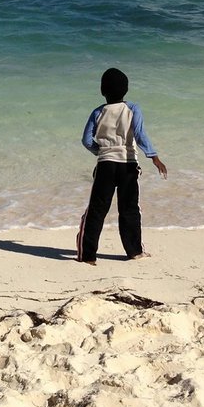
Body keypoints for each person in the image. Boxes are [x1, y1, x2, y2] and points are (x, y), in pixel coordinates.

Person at [76, 67, 167, 265]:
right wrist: (153, 156)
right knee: (130, 209)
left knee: (97, 210)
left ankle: (88, 256)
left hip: (106, 166)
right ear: (126, 90)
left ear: (102, 90)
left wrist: (101, 152)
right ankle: (134, 251)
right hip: (128, 165)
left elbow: (86, 140)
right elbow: (140, 135)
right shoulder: (133, 108)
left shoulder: (98, 111)